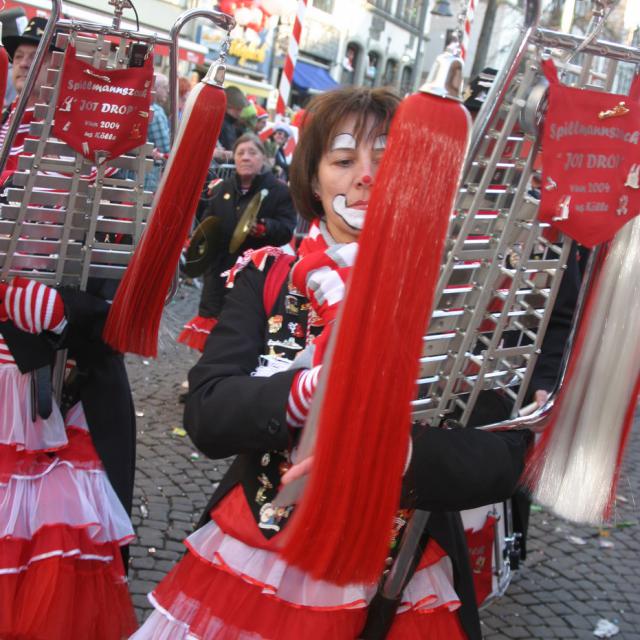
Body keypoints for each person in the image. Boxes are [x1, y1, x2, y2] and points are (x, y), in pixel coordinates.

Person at [135, 87, 530, 640]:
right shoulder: (269, 276)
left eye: (386, 159)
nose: (366, 176)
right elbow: (207, 413)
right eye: (344, 161)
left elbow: (505, 455)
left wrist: (396, 454)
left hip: (400, 569)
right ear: (313, 182)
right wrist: (310, 391)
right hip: (264, 551)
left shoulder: (459, 295)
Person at [178, 132, 296, 351]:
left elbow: (286, 229)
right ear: (234, 158)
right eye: (240, 153)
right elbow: (208, 223)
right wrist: (194, 243)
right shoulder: (223, 188)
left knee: (243, 330)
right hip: (218, 271)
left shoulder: (279, 191)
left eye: (252, 152)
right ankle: (210, 366)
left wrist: (265, 227)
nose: (245, 157)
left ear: (263, 158)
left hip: (254, 274)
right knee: (212, 326)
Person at [146, 73, 171, 191]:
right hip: (148, 174)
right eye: (165, 87)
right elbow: (165, 148)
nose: (168, 91)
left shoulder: (144, 106)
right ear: (155, 88)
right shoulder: (156, 112)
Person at [213, 85, 248, 164]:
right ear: (228, 106)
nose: (240, 113)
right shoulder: (221, 124)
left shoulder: (233, 124)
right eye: (238, 109)